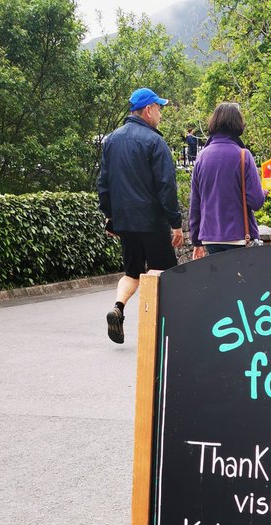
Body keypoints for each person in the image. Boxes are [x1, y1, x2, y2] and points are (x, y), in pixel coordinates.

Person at [97, 86, 184, 345]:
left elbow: (104, 183)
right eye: (159, 108)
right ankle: (162, 329)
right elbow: (166, 186)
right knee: (164, 274)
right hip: (152, 222)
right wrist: (176, 223)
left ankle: (118, 308)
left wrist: (110, 216)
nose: (160, 113)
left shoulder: (111, 140)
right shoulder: (155, 142)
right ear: (148, 110)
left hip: (125, 222)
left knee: (132, 272)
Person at [188, 103, 267, 258]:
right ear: (237, 124)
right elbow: (256, 202)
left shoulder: (202, 157)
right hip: (239, 236)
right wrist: (262, 192)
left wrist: (196, 241)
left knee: (219, 275)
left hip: (210, 237)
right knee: (241, 274)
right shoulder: (243, 155)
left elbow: (195, 203)